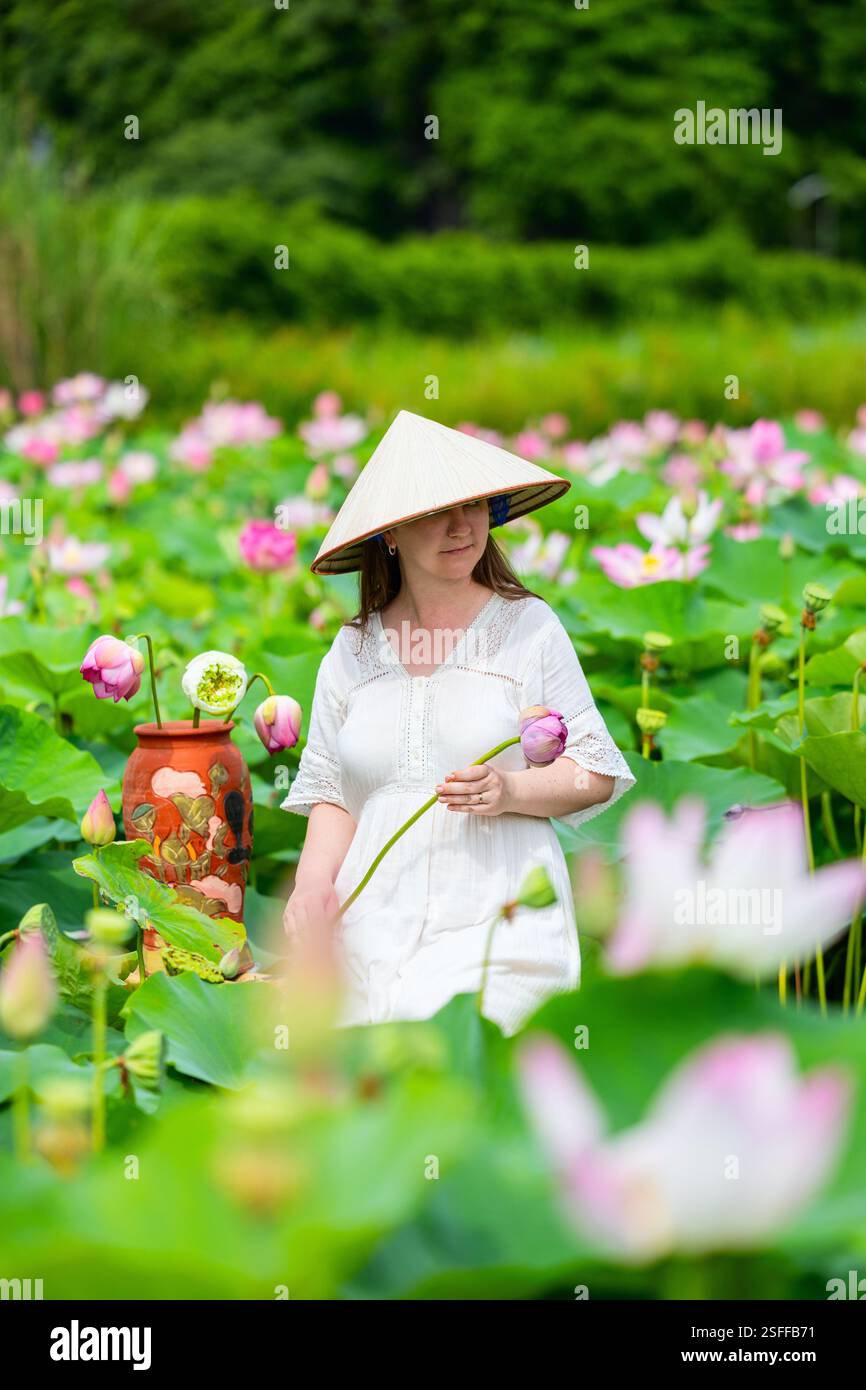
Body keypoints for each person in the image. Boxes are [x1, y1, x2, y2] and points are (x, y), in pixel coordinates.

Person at [281, 410, 635, 1035]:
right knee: (354, 1078)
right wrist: (311, 886)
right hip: (371, 919)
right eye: (433, 512)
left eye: (474, 506)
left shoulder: (526, 627)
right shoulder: (352, 650)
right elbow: (334, 795)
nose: (460, 525)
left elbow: (595, 773)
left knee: (452, 1050)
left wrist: (511, 791)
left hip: (499, 916)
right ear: (389, 534)